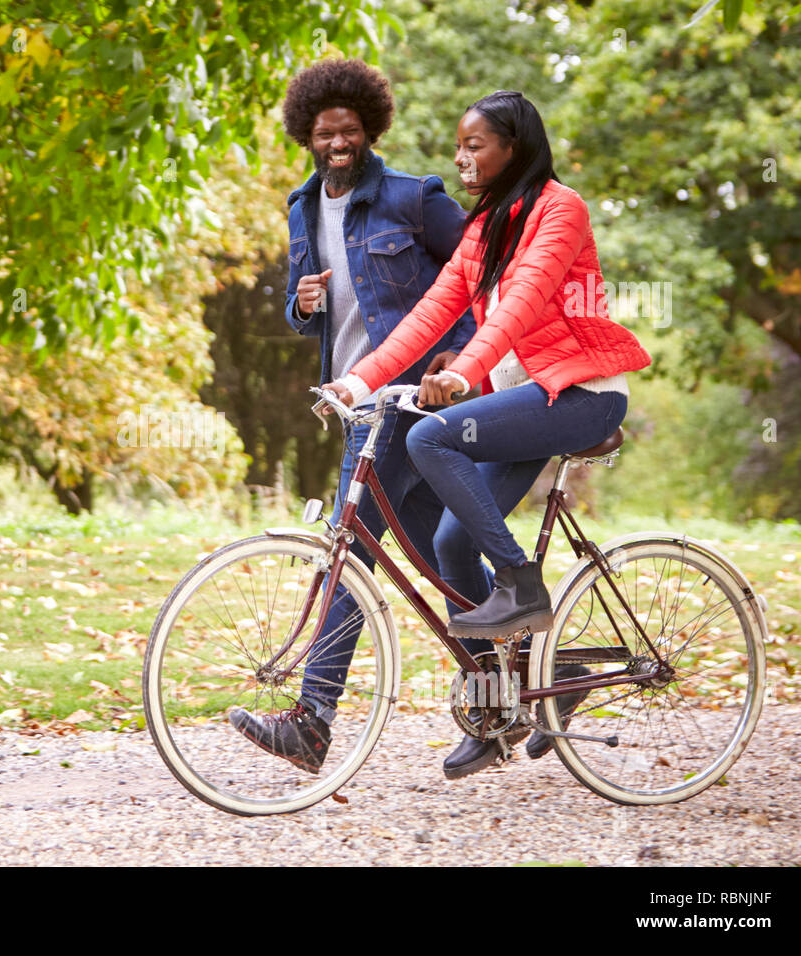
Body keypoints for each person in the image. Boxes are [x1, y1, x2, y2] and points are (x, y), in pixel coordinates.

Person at [325, 90, 652, 779]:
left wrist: (466, 374)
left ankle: (521, 585)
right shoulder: (483, 229)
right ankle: (503, 702)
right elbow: (431, 314)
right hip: (530, 395)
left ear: (515, 146)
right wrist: (355, 384)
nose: (460, 158)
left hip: (583, 393)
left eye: (475, 145)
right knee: (448, 543)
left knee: (429, 438)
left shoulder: (560, 210)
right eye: (458, 146)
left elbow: (525, 302)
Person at [228, 59, 477, 772]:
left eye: (349, 129)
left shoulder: (413, 197)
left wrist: (452, 359)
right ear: (306, 135)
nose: (338, 140)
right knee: (438, 553)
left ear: (369, 128)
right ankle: (516, 674)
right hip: (355, 402)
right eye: (324, 130)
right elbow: (304, 312)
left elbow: (480, 277)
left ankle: (312, 720)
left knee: (349, 550)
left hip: (408, 403)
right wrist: (301, 306)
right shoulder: (301, 206)